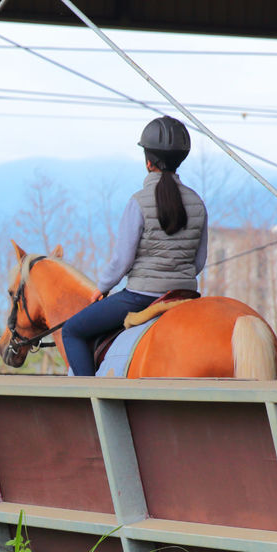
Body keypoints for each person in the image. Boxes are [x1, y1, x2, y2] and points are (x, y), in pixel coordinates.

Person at [62, 115, 208, 376]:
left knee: (72, 331)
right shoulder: (197, 202)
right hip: (185, 294)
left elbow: (122, 260)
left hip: (142, 295)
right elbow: (199, 261)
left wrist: (102, 287)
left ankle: (90, 401)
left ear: (148, 161)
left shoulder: (139, 201)